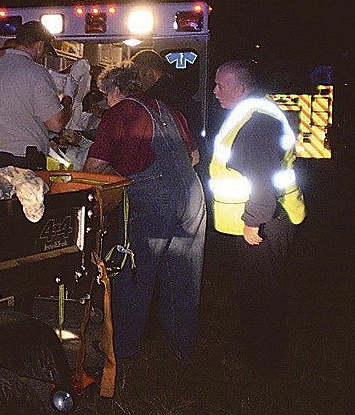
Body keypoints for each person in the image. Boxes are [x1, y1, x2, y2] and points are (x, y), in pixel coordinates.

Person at [83, 62, 206, 366]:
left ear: (115, 89)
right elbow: (194, 156)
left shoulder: (120, 112)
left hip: (154, 199)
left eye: (105, 95)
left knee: (134, 274)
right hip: (192, 196)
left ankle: (120, 350)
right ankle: (181, 352)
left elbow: (94, 167)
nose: (105, 102)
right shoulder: (167, 109)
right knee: (183, 277)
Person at [209, 60, 306, 370]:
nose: (214, 92)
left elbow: (262, 176)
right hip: (269, 219)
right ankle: (265, 355)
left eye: (221, 86)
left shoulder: (256, 120)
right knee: (262, 290)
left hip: (264, 223)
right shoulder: (254, 114)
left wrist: (253, 221)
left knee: (261, 294)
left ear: (241, 88)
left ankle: (264, 361)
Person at [0, 21, 76, 170]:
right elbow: (56, 123)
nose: (43, 57)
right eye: (44, 51)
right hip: (22, 164)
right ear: (39, 46)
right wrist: (68, 97)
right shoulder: (36, 73)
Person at [131, 49, 200, 166]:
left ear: (148, 72)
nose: (135, 82)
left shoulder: (157, 99)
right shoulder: (176, 90)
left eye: (137, 76)